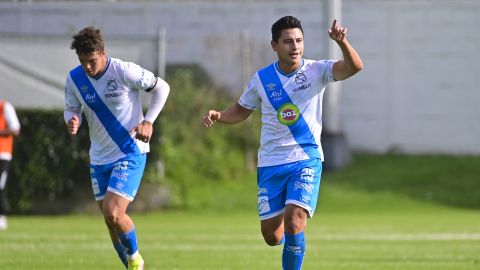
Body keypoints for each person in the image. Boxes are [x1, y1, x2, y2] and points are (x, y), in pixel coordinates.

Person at [202, 16, 363, 269]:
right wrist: (220, 116)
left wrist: (342, 42)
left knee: (294, 220)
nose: (295, 46)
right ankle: (292, 243)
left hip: (306, 158)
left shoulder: (317, 70)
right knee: (272, 236)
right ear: (274, 45)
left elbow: (354, 67)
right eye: (288, 41)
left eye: (299, 40)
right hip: (271, 162)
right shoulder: (262, 79)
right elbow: (242, 110)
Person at [64, 26, 170, 270]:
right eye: (83, 62)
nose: (88, 68)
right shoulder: (75, 79)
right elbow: (71, 107)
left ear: (102, 52)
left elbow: (162, 87)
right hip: (99, 158)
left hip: (129, 151)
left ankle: (135, 259)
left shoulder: (123, 70)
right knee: (111, 222)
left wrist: (148, 121)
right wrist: (72, 119)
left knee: (113, 213)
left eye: (91, 61)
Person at [0, 100, 21, 231]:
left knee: (0, 186)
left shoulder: (4, 107)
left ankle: (1, 216)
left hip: (2, 154)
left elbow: (15, 130)